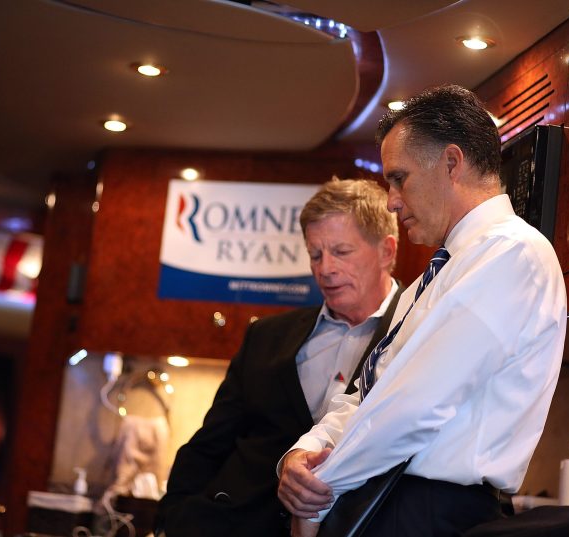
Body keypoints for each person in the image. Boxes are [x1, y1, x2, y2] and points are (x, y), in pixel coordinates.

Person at [278, 84, 567, 537]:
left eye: (399, 177)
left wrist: (314, 494)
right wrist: (304, 452)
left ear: (451, 163)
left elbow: (413, 407)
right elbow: (365, 396)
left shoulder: (514, 253)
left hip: (433, 512)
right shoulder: (425, 284)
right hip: (381, 499)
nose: (391, 199)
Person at [154, 178, 403, 536]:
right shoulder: (266, 337)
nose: (325, 268)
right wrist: (171, 519)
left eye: (341, 252)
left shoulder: (416, 332)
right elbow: (208, 445)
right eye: (315, 254)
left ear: (387, 251)